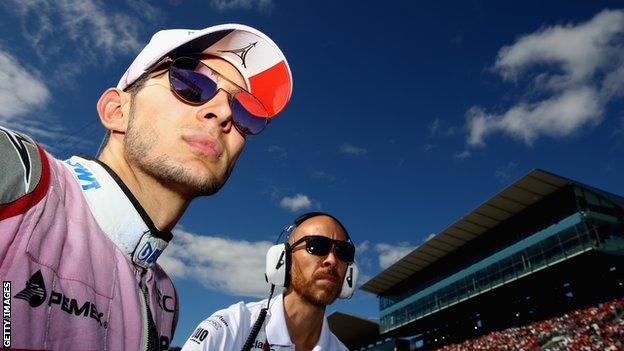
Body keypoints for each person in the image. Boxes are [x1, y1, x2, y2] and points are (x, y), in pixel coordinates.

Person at [0, 23, 292, 350]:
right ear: (117, 111)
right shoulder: (21, 178)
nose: (223, 112)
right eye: (190, 83)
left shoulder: (165, 297)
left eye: (244, 112)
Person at [181, 212, 359, 351]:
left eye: (343, 252)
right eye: (316, 245)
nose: (332, 260)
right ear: (283, 260)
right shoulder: (229, 328)